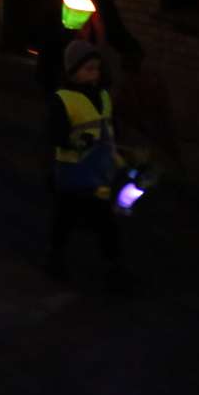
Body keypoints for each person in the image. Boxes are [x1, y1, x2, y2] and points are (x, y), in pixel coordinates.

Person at [48, 41, 131, 291]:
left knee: (105, 220)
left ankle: (112, 265)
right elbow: (55, 133)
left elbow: (109, 127)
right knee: (66, 217)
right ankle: (56, 258)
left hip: (99, 171)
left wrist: (118, 157)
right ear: (72, 71)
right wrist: (74, 141)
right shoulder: (63, 99)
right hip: (72, 172)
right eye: (88, 69)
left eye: (96, 69)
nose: (93, 74)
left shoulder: (104, 97)